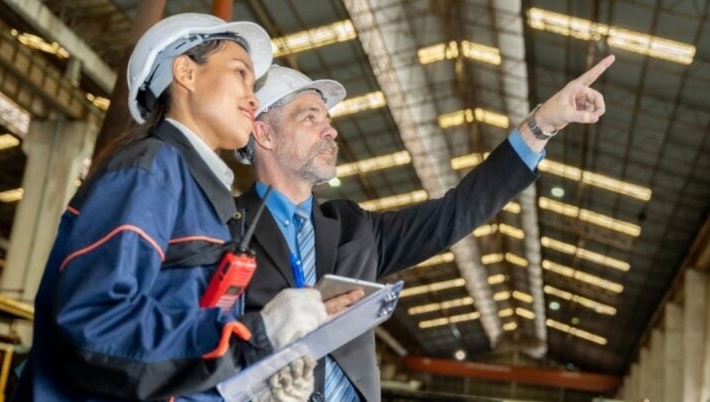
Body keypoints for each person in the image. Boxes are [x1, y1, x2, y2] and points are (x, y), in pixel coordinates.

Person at [235, 57, 615, 402]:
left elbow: (456, 211)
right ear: (264, 134)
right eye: (310, 118)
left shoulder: (353, 227)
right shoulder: (225, 230)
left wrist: (543, 123)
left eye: (328, 120)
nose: (330, 131)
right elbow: (196, 340)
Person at [12, 14, 327, 402]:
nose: (253, 98)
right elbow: (96, 327)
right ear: (186, 73)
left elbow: (174, 356)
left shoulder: (201, 194)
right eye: (240, 73)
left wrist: (251, 385)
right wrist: (252, 336)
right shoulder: (149, 171)